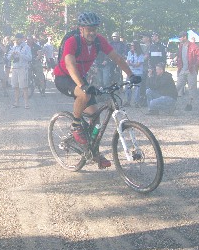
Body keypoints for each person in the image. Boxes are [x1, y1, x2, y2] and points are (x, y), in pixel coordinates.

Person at [53, 12, 140, 169]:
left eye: (95, 29)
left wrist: (131, 75)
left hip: (80, 78)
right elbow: (70, 64)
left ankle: (93, 153)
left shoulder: (99, 41)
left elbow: (117, 58)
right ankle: (75, 125)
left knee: (95, 118)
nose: (92, 32)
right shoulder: (73, 41)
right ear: (81, 29)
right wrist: (82, 85)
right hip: (64, 77)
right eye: (89, 29)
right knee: (84, 94)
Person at [175, 33, 199, 111]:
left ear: (185, 37)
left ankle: (189, 104)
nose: (179, 39)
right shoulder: (181, 46)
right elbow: (179, 56)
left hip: (191, 70)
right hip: (183, 69)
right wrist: (179, 66)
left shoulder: (193, 46)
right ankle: (171, 102)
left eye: (180, 37)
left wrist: (196, 65)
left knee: (191, 88)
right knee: (178, 86)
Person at [7, 33, 32, 108]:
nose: (17, 40)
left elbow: (29, 58)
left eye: (18, 39)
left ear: (22, 39)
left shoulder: (26, 47)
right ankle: (16, 102)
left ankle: (26, 103)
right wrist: (12, 55)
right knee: (15, 86)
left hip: (23, 68)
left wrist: (20, 54)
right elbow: (8, 58)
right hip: (15, 68)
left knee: (24, 86)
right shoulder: (14, 47)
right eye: (16, 39)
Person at [124, 42, 145, 107]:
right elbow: (128, 61)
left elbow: (138, 64)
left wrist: (131, 64)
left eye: (132, 45)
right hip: (130, 72)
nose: (131, 46)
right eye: (131, 45)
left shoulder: (140, 54)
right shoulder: (129, 53)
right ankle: (127, 101)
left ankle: (136, 102)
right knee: (127, 86)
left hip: (138, 73)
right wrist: (131, 64)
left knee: (137, 88)